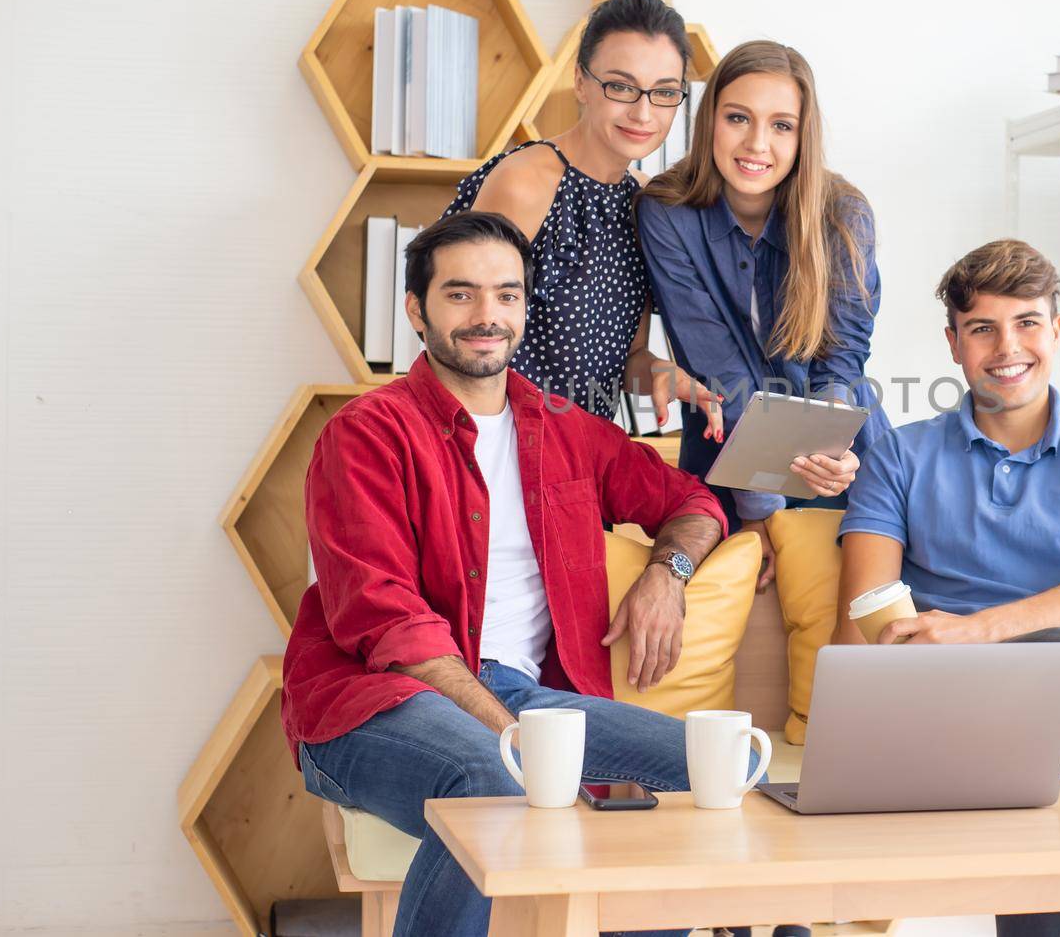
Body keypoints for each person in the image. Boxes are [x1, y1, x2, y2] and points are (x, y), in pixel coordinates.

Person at [282, 211, 727, 937]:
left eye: (507, 294)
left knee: (711, 769)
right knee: (488, 777)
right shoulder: (365, 433)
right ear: (415, 310)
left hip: (528, 695)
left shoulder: (567, 429)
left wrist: (666, 573)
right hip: (374, 702)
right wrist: (514, 735)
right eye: (460, 294)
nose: (488, 315)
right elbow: (385, 618)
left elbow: (693, 503)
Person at [833, 239, 1060, 937]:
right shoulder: (899, 454)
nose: (1006, 346)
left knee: (1059, 658)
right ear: (954, 343)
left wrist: (980, 628)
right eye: (983, 328)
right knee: (1042, 676)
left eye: (1026, 322)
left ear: (1055, 329)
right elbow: (862, 614)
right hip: (953, 696)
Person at [637, 40, 890, 587]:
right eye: (737, 118)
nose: (757, 143)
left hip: (839, 457)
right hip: (729, 457)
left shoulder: (843, 215)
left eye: (781, 125)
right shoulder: (668, 212)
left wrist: (833, 451)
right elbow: (719, 372)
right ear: (709, 122)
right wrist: (760, 513)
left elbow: (840, 362)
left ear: (804, 136)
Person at [442, 0, 721, 435]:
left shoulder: (644, 204)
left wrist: (661, 374)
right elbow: (454, 329)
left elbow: (628, 359)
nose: (643, 112)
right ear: (581, 82)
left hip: (581, 453)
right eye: (622, 86)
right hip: (494, 446)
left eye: (664, 92)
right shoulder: (526, 182)